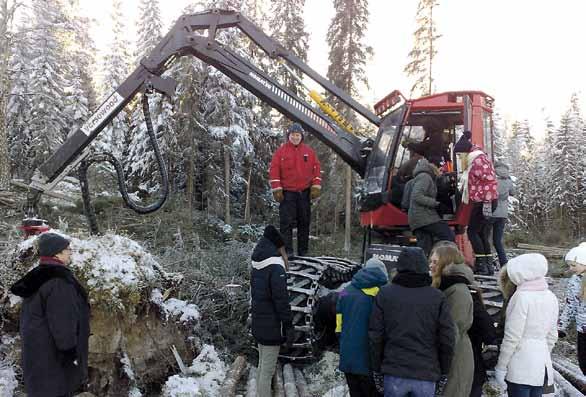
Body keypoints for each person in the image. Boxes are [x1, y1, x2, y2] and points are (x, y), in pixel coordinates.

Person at [10, 232, 90, 397]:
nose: (70, 252)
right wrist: (71, 354)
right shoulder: (58, 282)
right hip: (54, 360)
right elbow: (63, 323)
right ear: (57, 252)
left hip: (38, 355)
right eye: (67, 249)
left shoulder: (39, 277)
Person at [369, 247, 456, 397]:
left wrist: (376, 369)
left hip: (394, 370)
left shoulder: (385, 294)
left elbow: (375, 336)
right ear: (423, 266)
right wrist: (444, 371)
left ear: (400, 266)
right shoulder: (437, 297)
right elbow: (447, 339)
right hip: (426, 373)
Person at [494, 254, 559, 396]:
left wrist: (501, 367)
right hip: (541, 366)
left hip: (520, 366)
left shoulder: (521, 297)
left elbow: (512, 337)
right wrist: (541, 354)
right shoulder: (551, 296)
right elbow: (553, 335)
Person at [250, 225, 295, 397]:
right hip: (271, 328)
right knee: (267, 372)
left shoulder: (257, 265)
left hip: (259, 324)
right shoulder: (276, 267)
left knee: (263, 366)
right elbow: (281, 300)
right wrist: (289, 325)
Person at [336, 257, 389, 396]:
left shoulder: (344, 291)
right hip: (369, 362)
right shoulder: (380, 294)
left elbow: (338, 327)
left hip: (348, 359)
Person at [269, 123, 321, 256]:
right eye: (293, 135)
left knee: (304, 223)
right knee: (286, 223)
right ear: (289, 136)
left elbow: (316, 170)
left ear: (301, 136)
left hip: (304, 193)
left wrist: (316, 185)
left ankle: (303, 252)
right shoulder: (281, 152)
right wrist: (277, 189)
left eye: (298, 135)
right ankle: (288, 252)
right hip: (287, 194)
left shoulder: (309, 152)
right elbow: (274, 171)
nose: (295, 137)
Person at [430, 244, 475, 397]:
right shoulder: (444, 287)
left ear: (446, 263)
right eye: (431, 261)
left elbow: (454, 330)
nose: (431, 265)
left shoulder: (457, 291)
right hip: (448, 357)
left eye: (435, 262)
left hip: (456, 359)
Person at [454, 130, 498, 275]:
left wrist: (484, 199)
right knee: (481, 233)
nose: (459, 159)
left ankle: (481, 265)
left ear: (465, 153)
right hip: (487, 201)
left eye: (460, 155)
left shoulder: (477, 160)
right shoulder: (478, 158)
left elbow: (489, 180)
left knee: (472, 232)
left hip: (483, 202)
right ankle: (488, 265)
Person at [408, 158, 455, 256]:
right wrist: (436, 204)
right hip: (424, 217)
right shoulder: (425, 177)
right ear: (434, 167)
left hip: (417, 218)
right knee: (447, 234)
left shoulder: (423, 177)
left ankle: (425, 268)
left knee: (425, 247)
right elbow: (417, 196)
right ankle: (447, 261)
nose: (441, 171)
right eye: (440, 168)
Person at [558, 243, 586, 375]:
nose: (571, 268)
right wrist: (561, 325)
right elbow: (570, 305)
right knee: (583, 363)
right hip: (582, 328)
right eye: (569, 265)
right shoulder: (574, 281)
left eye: (574, 265)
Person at [492, 161, 515, 268]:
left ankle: (487, 262)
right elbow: (513, 192)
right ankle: (504, 263)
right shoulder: (508, 180)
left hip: (491, 212)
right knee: (497, 240)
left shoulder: (492, 177)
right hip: (503, 214)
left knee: (484, 237)